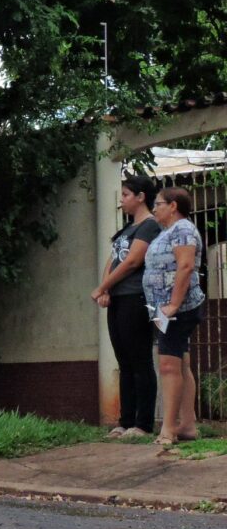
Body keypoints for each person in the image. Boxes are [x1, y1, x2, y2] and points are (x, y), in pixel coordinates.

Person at [90, 175, 159, 437]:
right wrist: (106, 288)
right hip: (118, 298)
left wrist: (101, 287)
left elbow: (132, 262)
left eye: (126, 195)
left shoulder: (149, 226)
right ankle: (125, 421)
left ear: (141, 197)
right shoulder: (127, 229)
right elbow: (113, 259)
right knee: (124, 361)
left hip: (135, 297)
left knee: (140, 360)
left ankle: (143, 424)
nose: (122, 200)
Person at [143, 186, 206, 446]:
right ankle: (187, 425)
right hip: (164, 309)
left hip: (176, 310)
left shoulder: (182, 229)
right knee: (179, 364)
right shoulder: (167, 231)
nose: (154, 207)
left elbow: (186, 265)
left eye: (158, 203)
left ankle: (168, 429)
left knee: (168, 366)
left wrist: (172, 304)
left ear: (173, 206)